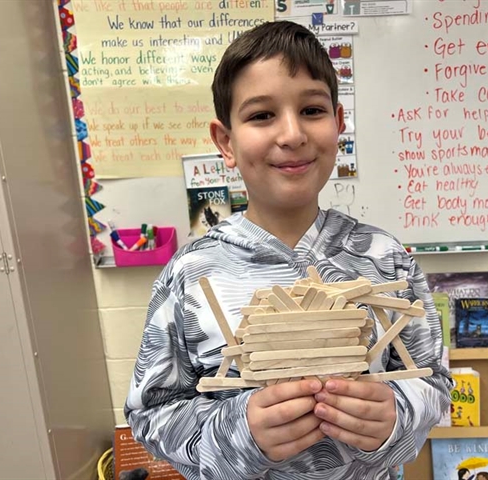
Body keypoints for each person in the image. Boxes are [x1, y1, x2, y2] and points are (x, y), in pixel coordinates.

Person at [125, 20, 452, 480]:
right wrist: (238, 432)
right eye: (261, 115)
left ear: (339, 124)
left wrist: (396, 418)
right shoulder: (191, 273)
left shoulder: (386, 257)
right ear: (226, 142)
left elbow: (435, 385)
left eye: (312, 110)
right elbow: (150, 414)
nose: (292, 134)